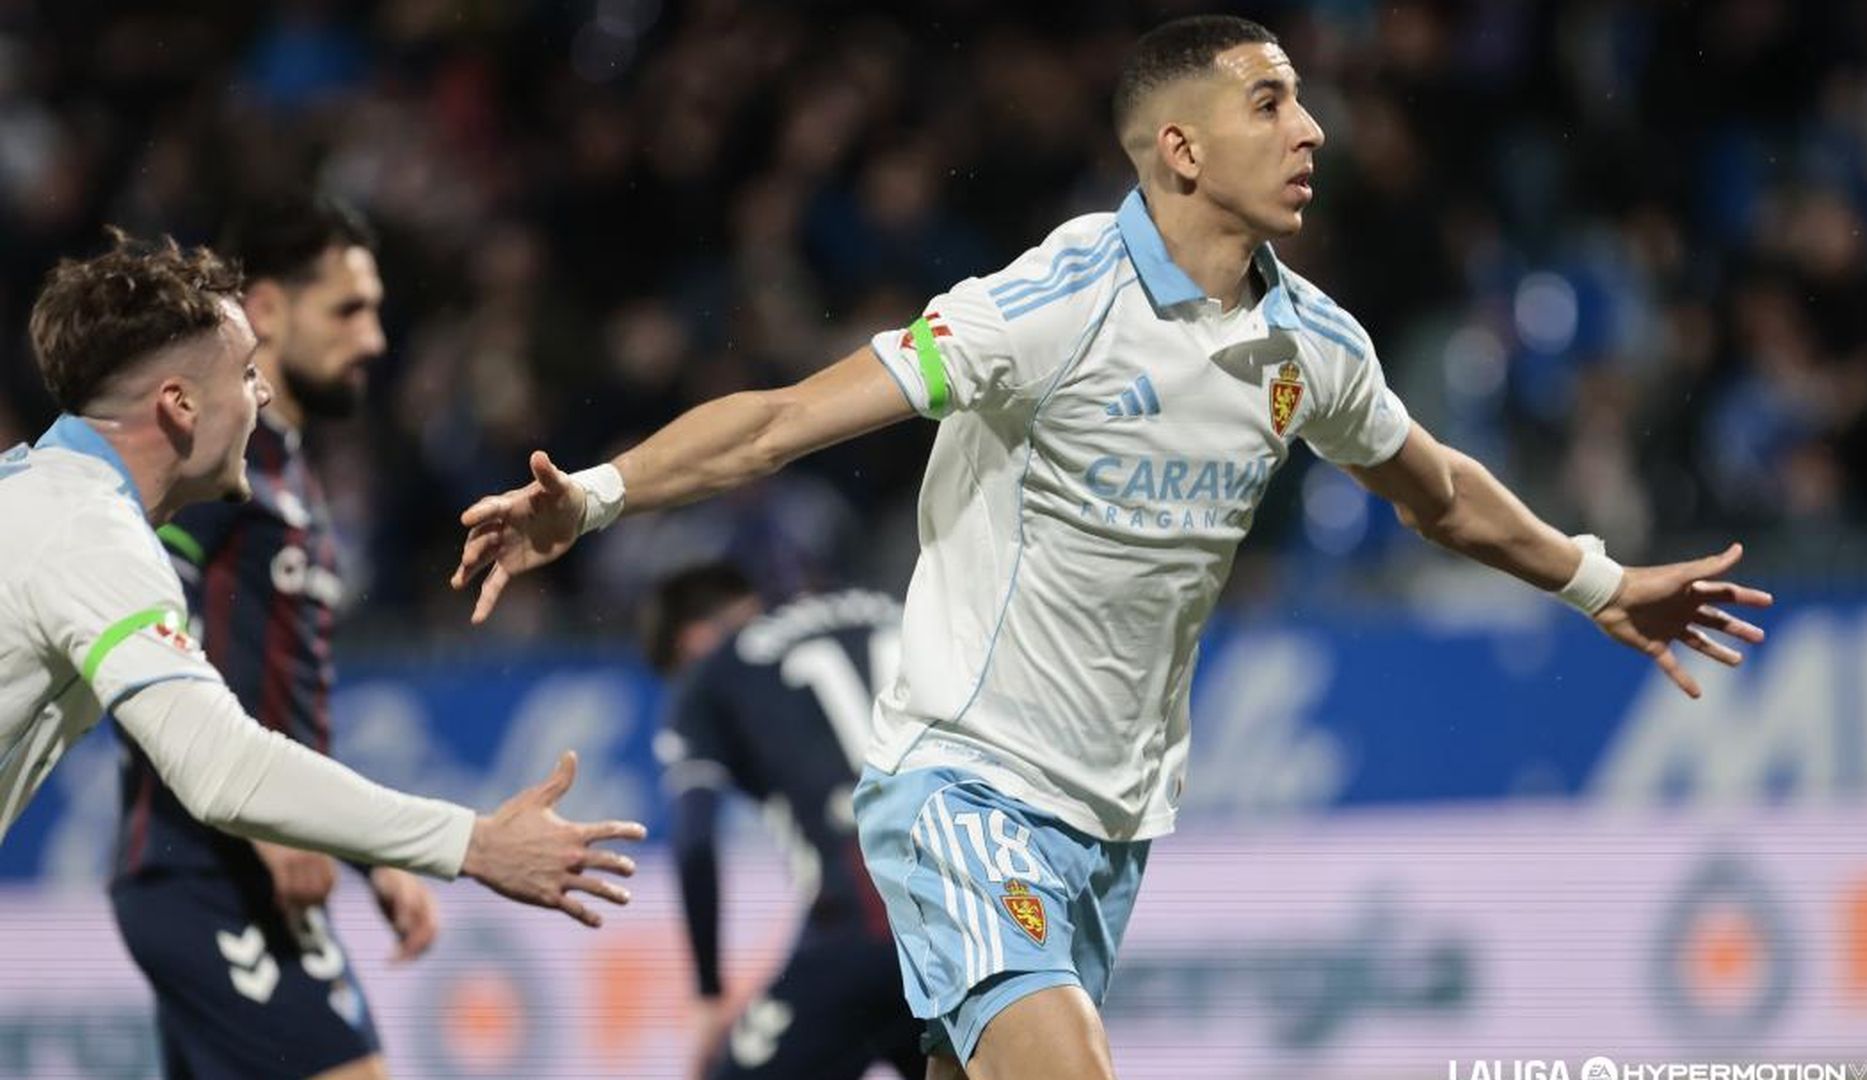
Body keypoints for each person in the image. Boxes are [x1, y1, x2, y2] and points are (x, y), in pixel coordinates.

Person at [450, 15, 1772, 1080]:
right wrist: (602, 496)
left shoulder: (1310, 343)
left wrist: (1600, 580)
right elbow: (790, 418)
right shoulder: (1050, 306)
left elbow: (1435, 490)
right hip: (963, 790)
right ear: (1180, 150)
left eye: (1304, 99)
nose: (1311, 126)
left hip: (1110, 828)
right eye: (1271, 101)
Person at [1, 232, 645, 943]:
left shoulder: (45, 497)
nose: (264, 392)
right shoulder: (91, 532)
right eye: (246, 373)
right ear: (179, 403)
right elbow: (221, 769)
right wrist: (474, 842)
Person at [106, 194, 422, 1080]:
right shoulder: (209, 462)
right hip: (199, 869)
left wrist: (369, 855)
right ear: (271, 309)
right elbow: (143, 626)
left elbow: (276, 702)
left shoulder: (287, 472)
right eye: (349, 309)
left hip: (249, 870)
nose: (374, 339)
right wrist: (272, 828)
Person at [646, 564, 925, 1080]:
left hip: (860, 934)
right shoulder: (892, 608)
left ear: (691, 641)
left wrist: (709, 992)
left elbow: (695, 844)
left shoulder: (713, 669)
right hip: (966, 927)